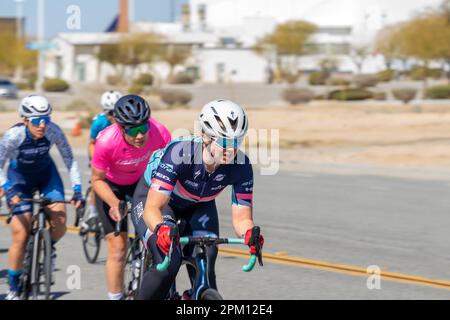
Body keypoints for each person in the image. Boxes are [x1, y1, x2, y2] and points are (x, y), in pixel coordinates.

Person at [131, 99, 264, 300]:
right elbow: (152, 208)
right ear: (206, 137)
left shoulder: (242, 166)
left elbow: (242, 218)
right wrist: (161, 229)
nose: (232, 150)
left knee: (207, 263)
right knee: (169, 261)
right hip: (158, 201)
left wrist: (250, 234)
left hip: (198, 204)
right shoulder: (179, 153)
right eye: (225, 142)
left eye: (237, 141)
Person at [0, 95, 84, 300]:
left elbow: (70, 159)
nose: (43, 125)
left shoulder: (53, 130)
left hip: (47, 176)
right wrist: (8, 189)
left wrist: (77, 189)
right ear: (26, 120)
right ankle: (13, 288)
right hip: (19, 179)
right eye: (38, 121)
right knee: (20, 234)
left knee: (60, 221)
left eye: (47, 119)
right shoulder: (13, 136)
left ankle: (49, 247)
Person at [91, 94, 171, 300]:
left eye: (143, 128)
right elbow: (97, 180)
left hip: (141, 184)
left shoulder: (160, 132)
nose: (139, 136)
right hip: (112, 188)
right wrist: (113, 203)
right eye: (132, 130)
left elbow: (171, 169)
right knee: (118, 248)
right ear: (120, 127)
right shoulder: (106, 141)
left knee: (153, 235)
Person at [81, 90, 123, 232]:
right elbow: (91, 143)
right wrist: (94, 162)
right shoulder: (99, 122)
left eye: (115, 112)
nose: (112, 116)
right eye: (109, 113)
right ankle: (92, 213)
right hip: (100, 154)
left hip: (116, 156)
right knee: (98, 180)